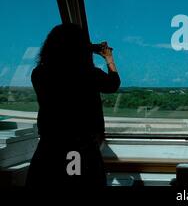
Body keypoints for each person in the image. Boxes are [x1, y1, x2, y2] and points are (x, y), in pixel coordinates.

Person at [26, 23, 120, 187]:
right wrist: (108, 58)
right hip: (79, 150)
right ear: (80, 49)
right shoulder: (88, 74)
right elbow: (113, 84)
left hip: (49, 148)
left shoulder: (39, 74)